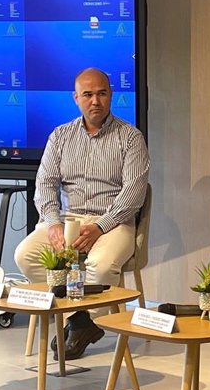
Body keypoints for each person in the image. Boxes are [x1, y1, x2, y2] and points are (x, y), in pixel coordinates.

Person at [14, 67, 149, 360]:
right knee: (25, 255)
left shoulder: (130, 138)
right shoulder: (60, 136)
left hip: (113, 223)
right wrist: (52, 224)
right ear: (76, 98)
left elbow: (134, 192)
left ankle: (79, 324)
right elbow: (45, 184)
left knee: (99, 267)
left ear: (111, 95)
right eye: (88, 94)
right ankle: (80, 320)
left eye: (101, 93)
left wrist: (101, 226)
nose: (95, 101)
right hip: (68, 220)